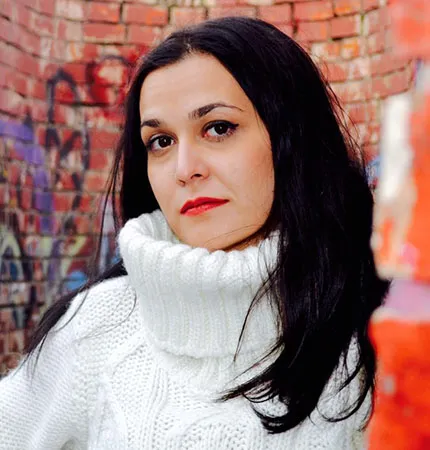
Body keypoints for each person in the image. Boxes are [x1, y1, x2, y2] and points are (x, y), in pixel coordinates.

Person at [0, 17, 389, 449]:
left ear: (290, 138)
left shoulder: (381, 326)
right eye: (161, 141)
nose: (185, 169)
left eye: (218, 128)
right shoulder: (96, 326)